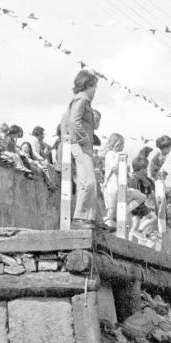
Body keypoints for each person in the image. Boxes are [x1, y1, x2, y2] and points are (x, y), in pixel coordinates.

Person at [60, 69, 105, 230]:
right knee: (88, 182)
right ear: (88, 85)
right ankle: (81, 218)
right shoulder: (82, 99)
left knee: (88, 182)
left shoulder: (81, 100)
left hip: (81, 145)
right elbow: (73, 122)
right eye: (94, 87)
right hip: (80, 145)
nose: (95, 91)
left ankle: (90, 219)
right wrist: (84, 139)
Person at [102, 132, 126, 229]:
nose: (123, 146)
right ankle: (104, 224)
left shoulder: (114, 154)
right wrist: (119, 157)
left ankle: (109, 225)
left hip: (117, 183)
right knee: (111, 210)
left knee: (115, 209)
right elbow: (114, 168)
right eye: (121, 144)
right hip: (112, 183)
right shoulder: (110, 154)